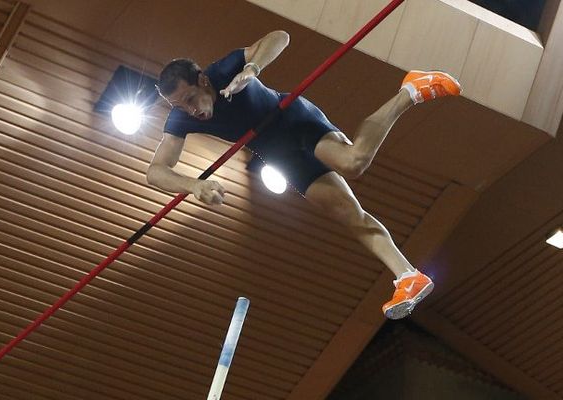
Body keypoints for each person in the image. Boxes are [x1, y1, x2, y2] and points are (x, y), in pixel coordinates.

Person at [147, 30, 461, 319]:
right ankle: (408, 276)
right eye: (180, 107)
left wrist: (252, 68)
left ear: (202, 80)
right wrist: (194, 185)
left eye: (189, 100)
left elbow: (279, 37)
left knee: (353, 162)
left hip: (293, 120)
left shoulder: (222, 70)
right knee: (350, 215)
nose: (191, 111)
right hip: (279, 156)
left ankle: (410, 91)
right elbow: (156, 172)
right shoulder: (182, 119)